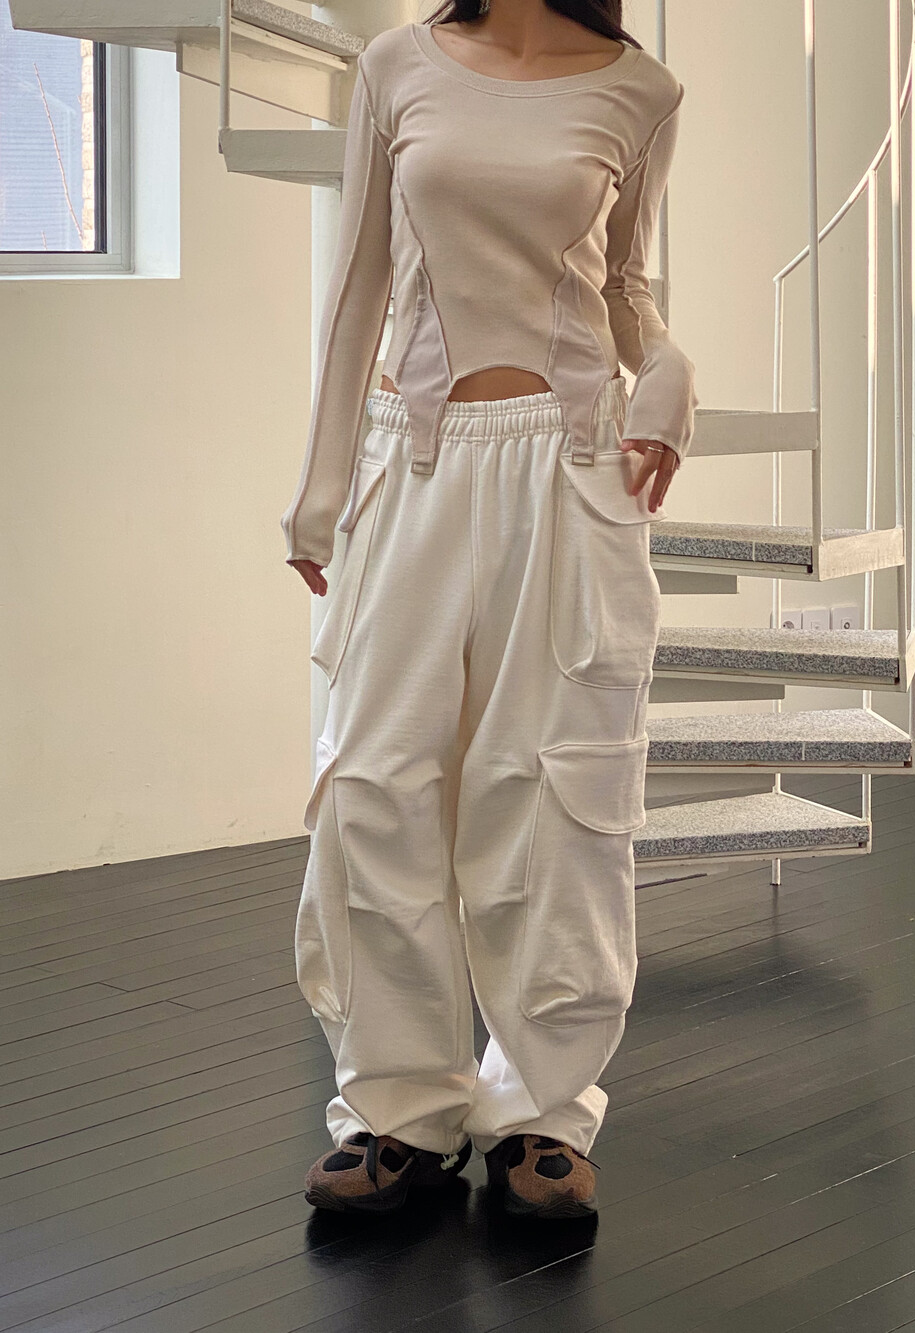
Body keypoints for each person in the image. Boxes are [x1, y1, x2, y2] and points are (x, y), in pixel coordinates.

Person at [279, 0, 697, 1221]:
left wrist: (670, 376)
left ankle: (540, 1114)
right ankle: (397, 1106)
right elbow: (358, 285)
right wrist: (319, 493)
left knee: (553, 793)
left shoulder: (639, 91)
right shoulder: (393, 66)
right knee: (373, 787)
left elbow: (626, 288)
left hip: (570, 470)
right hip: (412, 465)